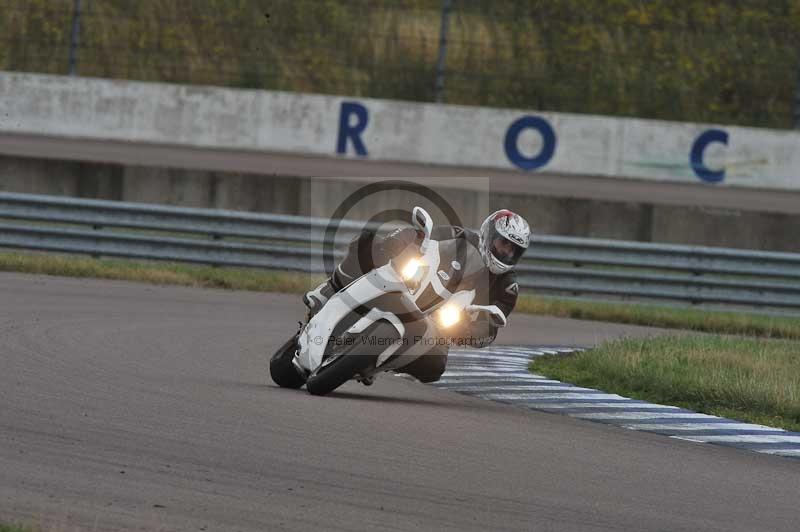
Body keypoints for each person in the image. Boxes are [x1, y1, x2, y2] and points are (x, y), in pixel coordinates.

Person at [303, 210, 531, 383]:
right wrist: (396, 245)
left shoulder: (507, 286)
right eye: (504, 243)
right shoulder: (459, 236)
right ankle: (329, 289)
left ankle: (376, 362)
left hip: (438, 324)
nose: (506, 252)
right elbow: (419, 236)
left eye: (514, 250)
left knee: (435, 367)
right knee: (368, 242)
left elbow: (490, 330)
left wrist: (467, 331)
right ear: (489, 234)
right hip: (411, 286)